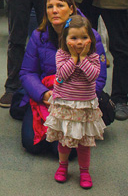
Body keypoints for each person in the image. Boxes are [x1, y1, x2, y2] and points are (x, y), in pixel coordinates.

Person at [19, 0, 107, 156]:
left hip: (77, 99)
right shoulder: (38, 35)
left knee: (66, 150)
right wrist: (43, 94)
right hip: (46, 96)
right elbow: (27, 72)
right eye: (50, 6)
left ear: (71, 9)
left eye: (60, 5)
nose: (54, 10)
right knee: (33, 145)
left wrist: (70, 97)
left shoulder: (90, 36)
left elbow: (99, 79)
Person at [45, 14, 106, 189]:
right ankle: (62, 167)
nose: (79, 42)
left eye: (84, 38)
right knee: (64, 141)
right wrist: (73, 58)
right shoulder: (61, 54)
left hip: (85, 106)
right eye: (74, 38)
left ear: (90, 39)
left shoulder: (93, 56)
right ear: (65, 39)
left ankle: (84, 171)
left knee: (84, 143)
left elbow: (93, 76)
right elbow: (62, 74)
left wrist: (83, 58)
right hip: (65, 104)